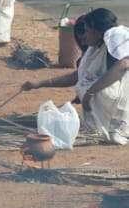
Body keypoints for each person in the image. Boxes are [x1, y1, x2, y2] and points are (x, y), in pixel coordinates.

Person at [25, 8, 129, 144]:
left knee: (99, 89)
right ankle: (107, 128)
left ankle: (118, 128)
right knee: (91, 85)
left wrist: (90, 92)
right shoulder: (96, 48)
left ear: (97, 30)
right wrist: (39, 84)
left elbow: (124, 64)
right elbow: (78, 76)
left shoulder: (115, 35)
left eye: (86, 31)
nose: (83, 37)